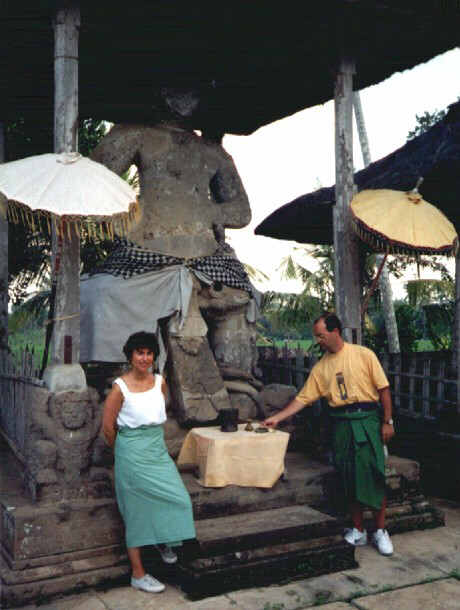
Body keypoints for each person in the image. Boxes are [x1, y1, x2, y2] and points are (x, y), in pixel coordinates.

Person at [264, 312, 395, 556]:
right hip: (341, 424)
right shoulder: (321, 367)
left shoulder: (363, 354)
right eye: (317, 337)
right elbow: (303, 398)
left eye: (321, 336)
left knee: (374, 474)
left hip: (367, 420)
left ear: (335, 331)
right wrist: (278, 417)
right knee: (348, 476)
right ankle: (358, 530)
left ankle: (380, 530)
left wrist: (387, 421)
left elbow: (384, 389)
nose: (318, 341)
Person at [102, 331, 196, 593]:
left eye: (149, 353)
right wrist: (125, 450)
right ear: (130, 356)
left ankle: (163, 539)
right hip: (131, 452)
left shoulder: (159, 382)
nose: (144, 358)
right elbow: (108, 428)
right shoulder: (120, 388)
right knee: (136, 512)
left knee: (179, 499)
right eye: (139, 353)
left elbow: (158, 411)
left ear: (154, 357)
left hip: (157, 449)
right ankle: (138, 574)